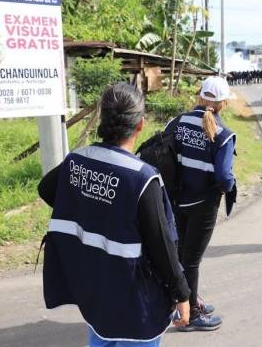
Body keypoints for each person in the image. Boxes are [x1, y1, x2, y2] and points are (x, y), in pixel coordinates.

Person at [38, 83, 190, 347]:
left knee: (100, 335)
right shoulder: (142, 177)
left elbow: (47, 189)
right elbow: (162, 246)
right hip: (134, 306)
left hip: (95, 291)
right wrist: (183, 294)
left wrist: (91, 210)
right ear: (140, 124)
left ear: (102, 119)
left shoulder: (77, 160)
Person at [164, 76, 236, 331]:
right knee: (191, 259)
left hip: (175, 201)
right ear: (223, 103)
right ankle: (191, 313)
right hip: (203, 204)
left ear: (200, 96)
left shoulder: (176, 122)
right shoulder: (223, 134)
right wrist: (230, 185)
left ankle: (185, 300)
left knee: (181, 254)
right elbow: (225, 178)